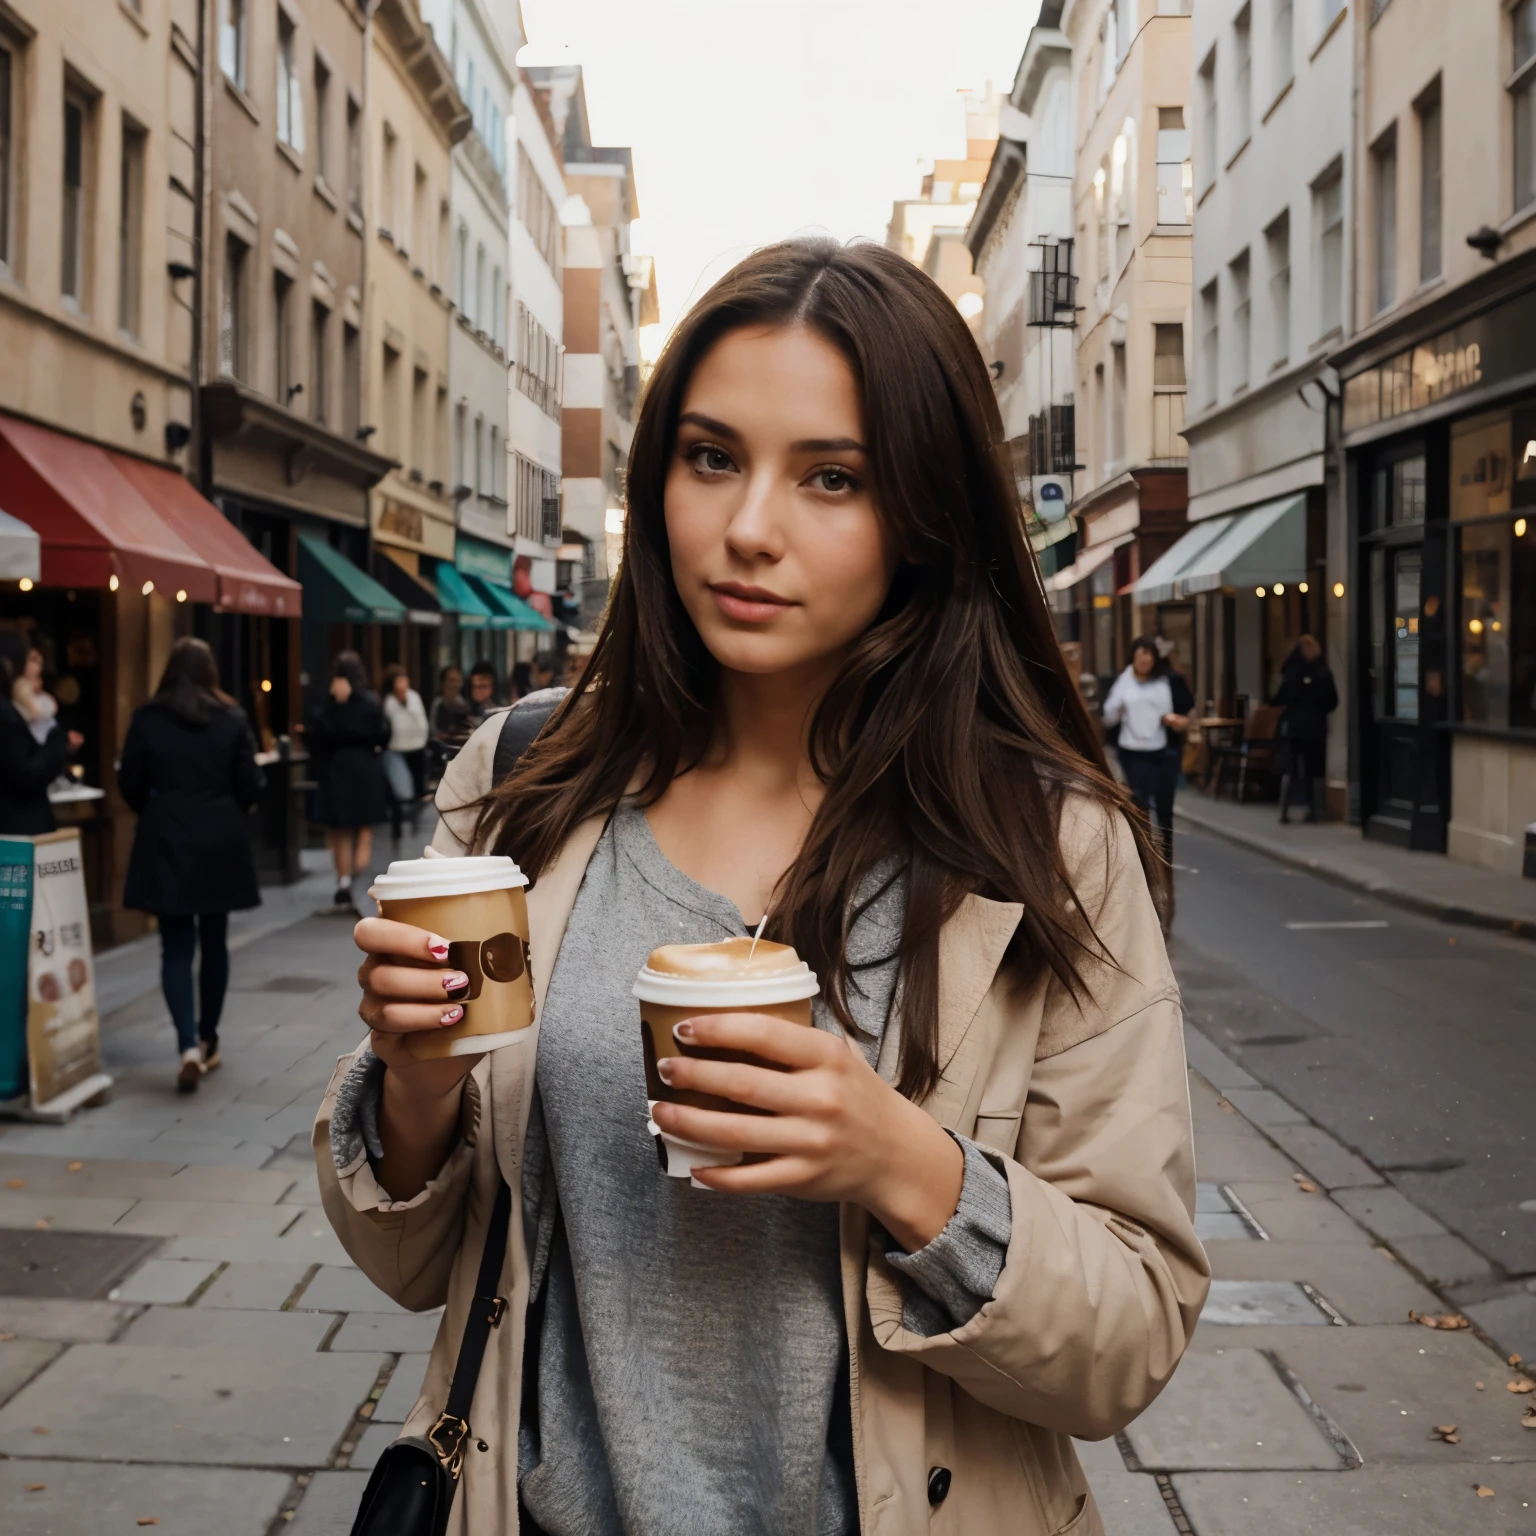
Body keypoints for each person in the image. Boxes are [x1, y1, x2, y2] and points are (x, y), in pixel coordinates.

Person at [319, 239, 1207, 1536]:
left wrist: (904, 1165)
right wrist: (415, 1080)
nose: (747, 528)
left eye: (831, 477)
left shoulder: (1048, 846)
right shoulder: (523, 784)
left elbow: (1129, 1335)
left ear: (925, 514)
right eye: (713, 456)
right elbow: (412, 1266)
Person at [119, 638, 265, 1092]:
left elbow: (130, 782)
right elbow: (251, 782)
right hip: (219, 838)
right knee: (215, 942)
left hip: (167, 837)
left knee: (175, 946)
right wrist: (228, 806)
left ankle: (185, 1045)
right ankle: (208, 1039)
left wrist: (159, 810)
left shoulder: (147, 718)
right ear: (210, 672)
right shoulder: (232, 717)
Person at [307, 652, 390, 915]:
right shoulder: (370, 701)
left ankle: (344, 883)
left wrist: (333, 704)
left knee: (340, 830)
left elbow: (317, 734)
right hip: (366, 768)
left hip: (337, 769)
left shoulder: (329, 703)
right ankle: (357, 882)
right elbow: (384, 733)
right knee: (364, 828)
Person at [1101, 636, 1192, 871]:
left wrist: (1175, 721)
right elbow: (1108, 716)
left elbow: (1179, 714)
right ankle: (1145, 858)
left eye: (1149, 654)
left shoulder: (1163, 681)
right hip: (1133, 751)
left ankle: (1166, 859)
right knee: (1140, 804)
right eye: (1140, 653)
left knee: (1164, 806)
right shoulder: (1124, 681)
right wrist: (1119, 707)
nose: (1144, 659)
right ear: (1133, 656)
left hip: (1161, 750)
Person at [0, 634, 82, 835]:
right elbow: (26, 773)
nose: (36, 668)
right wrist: (57, 741)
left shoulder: (15, 709)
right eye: (29, 660)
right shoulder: (7, 714)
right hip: (18, 828)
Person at [1273, 633, 1338, 825]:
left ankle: (1285, 810)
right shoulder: (1322, 672)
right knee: (1314, 769)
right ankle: (1315, 811)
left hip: (1295, 726)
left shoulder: (1291, 672)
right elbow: (1332, 701)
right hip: (1316, 726)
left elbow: (1280, 698)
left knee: (1291, 769)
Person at [381, 665, 429, 841]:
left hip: (417, 747)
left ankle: (414, 821)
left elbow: (419, 719)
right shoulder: (388, 701)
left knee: (416, 789)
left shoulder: (414, 697)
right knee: (399, 789)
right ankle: (397, 824)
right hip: (396, 749)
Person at [12, 646, 60, 745]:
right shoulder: (21, 685)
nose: (37, 666)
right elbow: (34, 712)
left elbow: (53, 707)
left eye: (39, 663)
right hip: (29, 741)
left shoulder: (39, 688)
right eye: (33, 661)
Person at [465, 659, 498, 724]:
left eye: (483, 686)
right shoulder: (463, 709)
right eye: (475, 686)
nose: (478, 690)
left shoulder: (498, 712)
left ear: (492, 687)